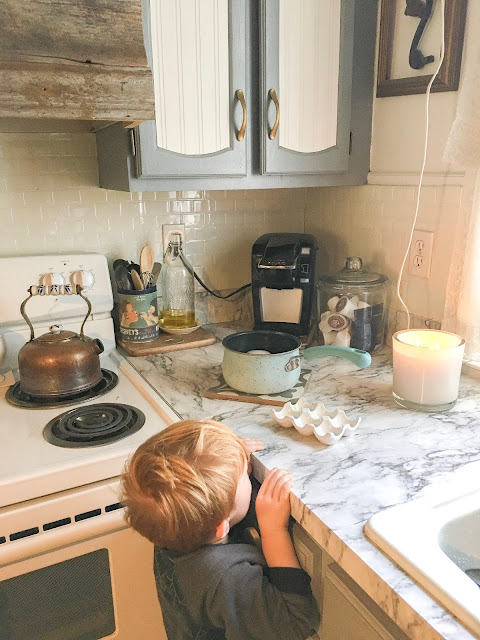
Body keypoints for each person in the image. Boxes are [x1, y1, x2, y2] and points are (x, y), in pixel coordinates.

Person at [121, 419, 320, 640]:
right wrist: (274, 530)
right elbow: (296, 624)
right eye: (244, 476)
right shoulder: (229, 580)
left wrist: (229, 461)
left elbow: (190, 476)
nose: (247, 471)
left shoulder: (169, 524)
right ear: (221, 526)